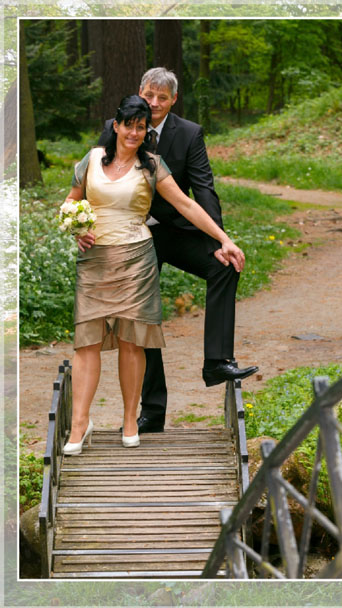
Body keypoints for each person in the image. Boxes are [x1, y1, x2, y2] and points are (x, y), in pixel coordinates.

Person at [63, 95, 246, 455]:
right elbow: (71, 200)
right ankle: (79, 425)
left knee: (132, 342)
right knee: (87, 342)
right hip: (95, 261)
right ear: (115, 125)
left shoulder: (152, 166)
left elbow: (186, 204)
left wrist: (223, 239)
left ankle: (131, 419)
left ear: (147, 132)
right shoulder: (91, 160)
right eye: (128, 124)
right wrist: (76, 227)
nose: (134, 132)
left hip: (136, 260)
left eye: (141, 126)